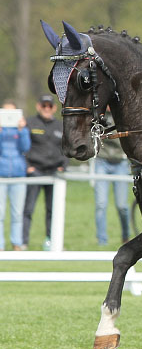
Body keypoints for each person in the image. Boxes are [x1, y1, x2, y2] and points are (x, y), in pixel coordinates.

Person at [23, 94, 68, 250]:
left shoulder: (61, 126)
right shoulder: (29, 123)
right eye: (44, 105)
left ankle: (51, 241)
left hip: (54, 173)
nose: (47, 109)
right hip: (35, 171)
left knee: (52, 210)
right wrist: (27, 165)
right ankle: (23, 242)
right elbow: (22, 146)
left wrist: (64, 165)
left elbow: (67, 147)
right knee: (28, 208)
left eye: (50, 106)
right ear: (38, 106)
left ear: (54, 108)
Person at [94, 108, 131, 246]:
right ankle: (101, 240)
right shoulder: (99, 114)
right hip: (102, 161)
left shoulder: (121, 113)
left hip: (120, 162)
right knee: (101, 204)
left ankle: (126, 236)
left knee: (122, 206)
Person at [0, 100, 30, 251]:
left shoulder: (21, 130)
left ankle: (16, 242)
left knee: (17, 212)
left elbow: (26, 147)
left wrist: (22, 130)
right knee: (0, 213)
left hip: (18, 174)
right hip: (1, 175)